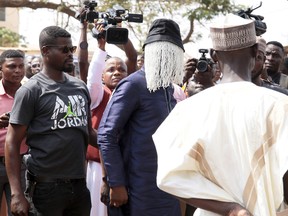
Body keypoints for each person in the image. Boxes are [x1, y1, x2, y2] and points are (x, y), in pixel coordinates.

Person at [153, 14, 288, 215]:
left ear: (214, 55)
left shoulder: (187, 110)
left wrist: (232, 209)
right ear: (254, 51)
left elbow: (169, 177)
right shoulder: (279, 106)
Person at [4, 25, 97, 216]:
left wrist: (118, 141)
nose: (70, 54)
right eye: (64, 50)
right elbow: (12, 143)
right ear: (46, 51)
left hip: (79, 185)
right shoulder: (31, 90)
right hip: (46, 188)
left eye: (72, 49)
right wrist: (16, 194)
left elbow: (89, 133)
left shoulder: (79, 87)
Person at [97, 18, 185, 216]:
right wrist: (116, 183)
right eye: (164, 54)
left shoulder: (168, 89)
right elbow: (106, 135)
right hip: (137, 189)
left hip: (166, 186)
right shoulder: (133, 85)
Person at [77, 16, 137, 216]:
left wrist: (120, 34)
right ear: (103, 76)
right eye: (110, 70)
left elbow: (133, 57)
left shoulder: (130, 95)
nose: (117, 72)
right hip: (97, 168)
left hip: (126, 165)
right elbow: (91, 74)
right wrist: (101, 47)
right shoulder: (97, 94)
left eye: (121, 69)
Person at [0, 49, 28, 216]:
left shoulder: (31, 93)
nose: (17, 70)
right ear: (1, 69)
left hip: (21, 164)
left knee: (21, 211)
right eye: (11, 66)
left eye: (20, 66)